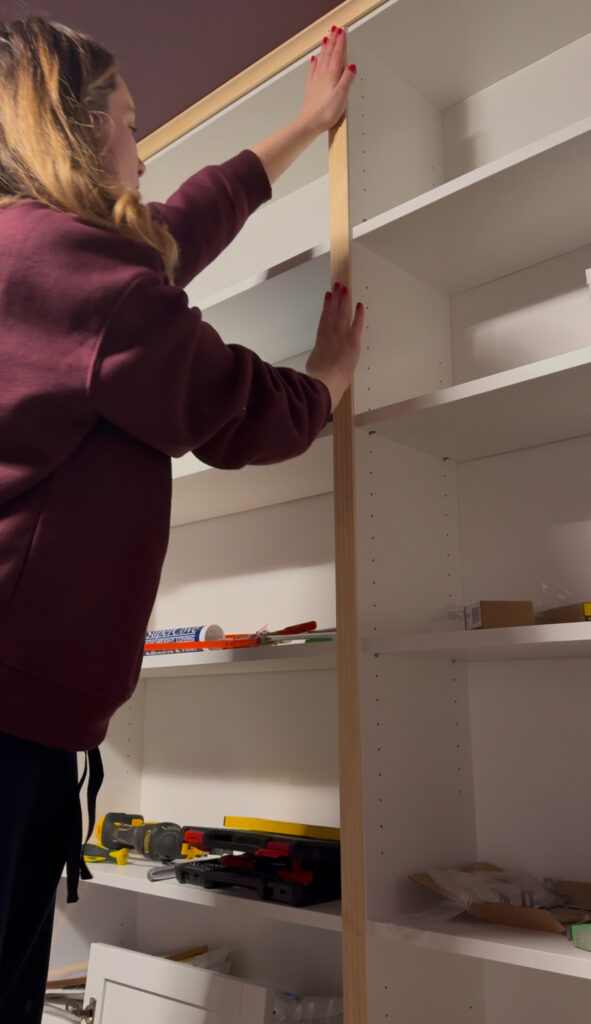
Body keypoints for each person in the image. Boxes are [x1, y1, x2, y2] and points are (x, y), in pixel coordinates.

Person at [0, 13, 363, 1024]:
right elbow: (231, 410)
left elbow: (166, 235)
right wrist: (327, 381)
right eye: (128, 118)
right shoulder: (90, 276)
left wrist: (302, 126)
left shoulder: (33, 255)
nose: (144, 142)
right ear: (78, 131)